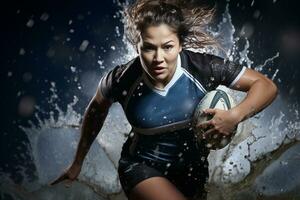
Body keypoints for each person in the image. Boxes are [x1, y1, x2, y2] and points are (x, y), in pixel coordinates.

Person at [50, 0, 278, 199]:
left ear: (180, 44)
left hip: (193, 172)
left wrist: (234, 116)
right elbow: (96, 110)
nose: (158, 58)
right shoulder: (122, 79)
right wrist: (78, 162)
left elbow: (266, 86)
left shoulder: (204, 68)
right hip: (141, 169)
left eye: (167, 47)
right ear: (137, 46)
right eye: (149, 48)